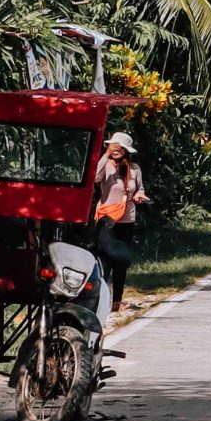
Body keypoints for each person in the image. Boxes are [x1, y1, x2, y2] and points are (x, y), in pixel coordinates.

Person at [92, 132, 147, 312]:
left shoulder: (135, 169)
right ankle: (99, 301)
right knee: (106, 259)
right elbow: (94, 178)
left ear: (126, 150)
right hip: (107, 218)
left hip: (127, 219)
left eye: (119, 147)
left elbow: (139, 189)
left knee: (121, 263)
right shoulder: (106, 165)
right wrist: (105, 155)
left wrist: (139, 196)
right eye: (113, 146)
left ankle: (116, 302)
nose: (116, 150)